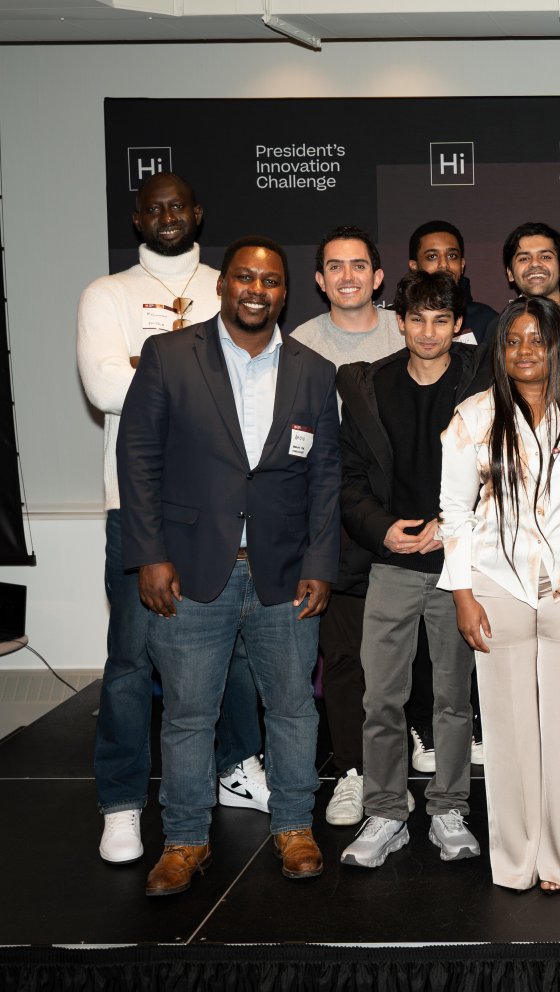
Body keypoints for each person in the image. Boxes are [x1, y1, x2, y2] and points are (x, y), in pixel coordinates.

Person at [118, 235, 340, 896]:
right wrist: (149, 557)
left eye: (271, 281)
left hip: (283, 572)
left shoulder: (312, 368)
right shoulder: (169, 356)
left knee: (294, 709)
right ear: (224, 285)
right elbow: (139, 461)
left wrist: (321, 563)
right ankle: (185, 842)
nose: (257, 290)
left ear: (285, 291)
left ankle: (294, 827)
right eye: (245, 277)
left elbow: (325, 476)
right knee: (189, 714)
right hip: (189, 571)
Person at [78, 171, 266, 864]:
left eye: (178, 205)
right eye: (153, 208)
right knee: (131, 659)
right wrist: (188, 377)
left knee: (239, 653)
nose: (166, 216)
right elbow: (103, 387)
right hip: (140, 505)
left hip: (224, 511)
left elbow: (252, 389)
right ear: (137, 219)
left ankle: (237, 766)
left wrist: (149, 370)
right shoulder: (108, 293)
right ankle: (122, 801)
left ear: (197, 211)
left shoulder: (234, 282)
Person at [439, 296, 560, 891]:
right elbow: (455, 515)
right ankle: (517, 862)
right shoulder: (472, 417)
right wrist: (462, 595)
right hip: (498, 589)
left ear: (557, 347)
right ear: (500, 351)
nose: (525, 351)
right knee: (509, 733)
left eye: (537, 340)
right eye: (513, 341)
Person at [336, 270, 484, 869]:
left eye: (441, 320)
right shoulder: (369, 385)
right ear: (400, 319)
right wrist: (383, 528)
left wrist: (458, 528)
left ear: (458, 325)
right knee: (382, 698)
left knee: (453, 698)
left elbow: (502, 469)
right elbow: (346, 480)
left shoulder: (482, 382)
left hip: (459, 565)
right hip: (391, 562)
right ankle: (386, 813)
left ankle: (448, 807)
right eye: (417, 318)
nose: (428, 331)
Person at [289, 225, 405, 826]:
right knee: (343, 658)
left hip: (400, 514)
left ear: (378, 276)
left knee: (403, 657)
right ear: (319, 279)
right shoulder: (300, 346)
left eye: (359, 265)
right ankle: (355, 771)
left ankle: (395, 768)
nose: (348, 276)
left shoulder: (405, 330)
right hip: (332, 518)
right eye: (335, 267)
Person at [408, 219, 498, 344]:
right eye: (432, 257)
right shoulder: (394, 319)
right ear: (414, 266)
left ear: (462, 264)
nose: (444, 265)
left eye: (452, 256)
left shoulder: (487, 320)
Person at [503, 222, 560, 326]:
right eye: (524, 259)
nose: (535, 263)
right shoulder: (500, 327)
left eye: (545, 257)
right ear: (510, 273)